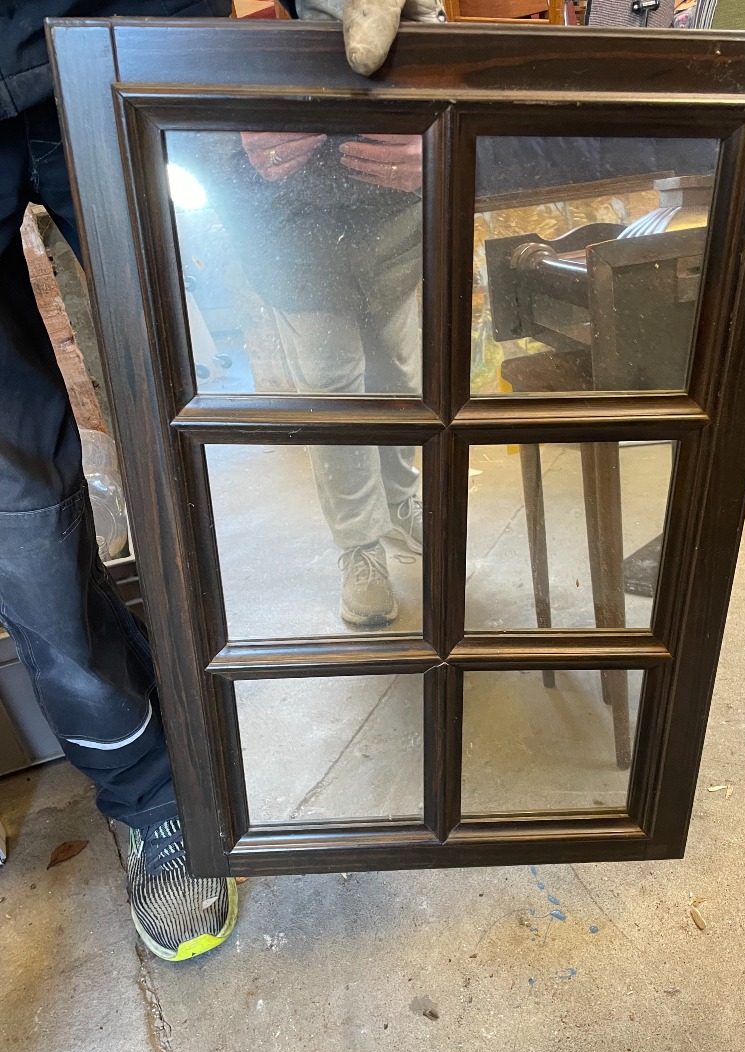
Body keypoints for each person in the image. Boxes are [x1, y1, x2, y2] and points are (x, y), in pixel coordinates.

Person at [0, 0, 426, 960]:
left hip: (133, 33)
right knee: (19, 517)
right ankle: (151, 791)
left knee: (200, 417)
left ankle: (254, 716)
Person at [178, 128, 425, 626]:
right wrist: (232, 145)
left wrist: (436, 139)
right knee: (333, 392)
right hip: (284, 225)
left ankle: (400, 501)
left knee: (397, 377)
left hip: (394, 217)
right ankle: (360, 546)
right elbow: (171, 117)